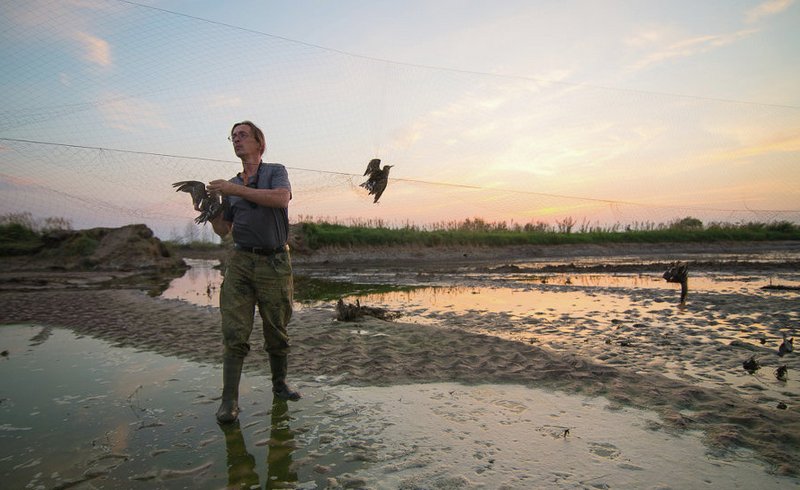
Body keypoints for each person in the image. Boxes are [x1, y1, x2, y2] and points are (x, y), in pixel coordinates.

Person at [208, 120, 300, 425]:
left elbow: (280, 199)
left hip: (274, 262)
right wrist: (209, 211)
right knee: (234, 332)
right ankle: (228, 402)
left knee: (276, 328)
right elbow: (224, 230)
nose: (236, 140)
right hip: (241, 262)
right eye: (232, 137)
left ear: (259, 143)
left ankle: (280, 384)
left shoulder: (274, 171)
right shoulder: (230, 187)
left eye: (242, 135)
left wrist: (234, 189)